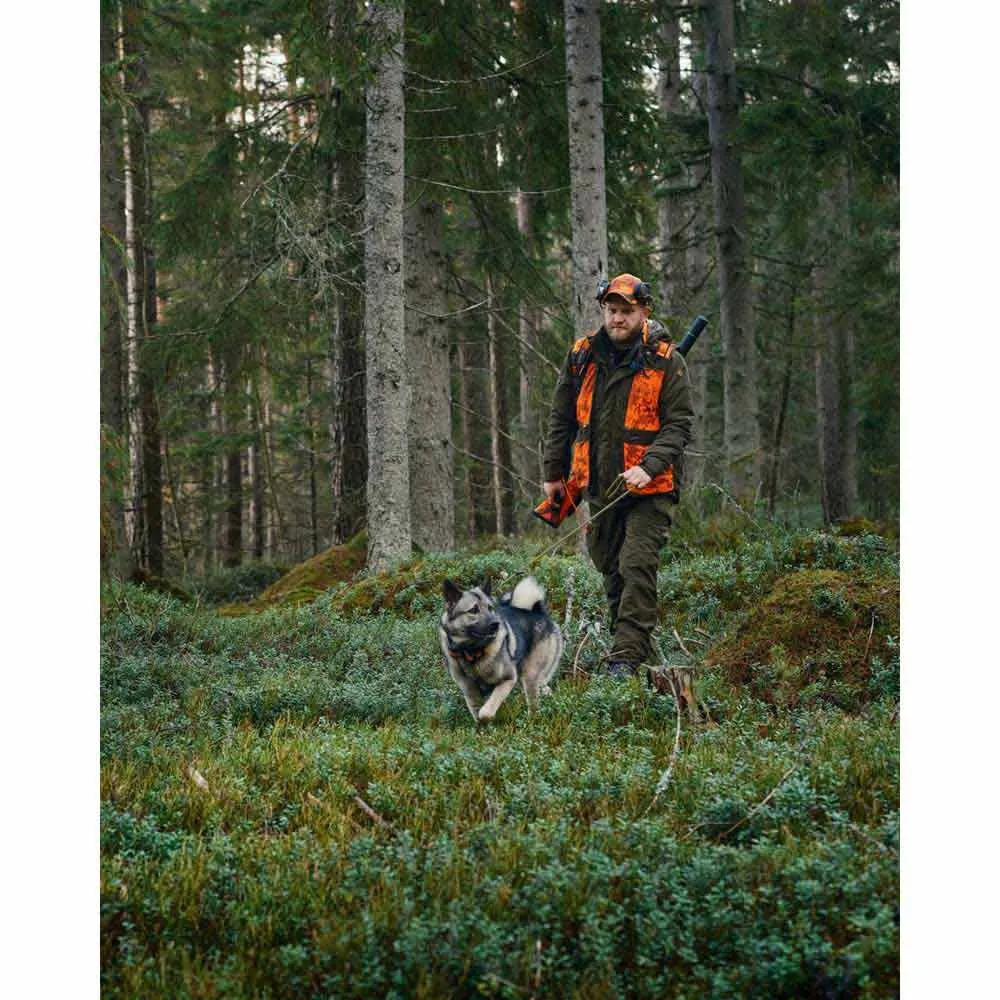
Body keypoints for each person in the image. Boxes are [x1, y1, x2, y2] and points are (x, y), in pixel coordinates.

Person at [541, 273, 695, 678]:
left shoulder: (666, 361)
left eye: (626, 310)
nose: (617, 318)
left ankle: (626, 657)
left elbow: (679, 426)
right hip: (599, 485)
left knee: (636, 564)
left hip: (651, 488)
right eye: (611, 310)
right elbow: (561, 417)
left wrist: (649, 466)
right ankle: (627, 641)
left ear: (644, 311)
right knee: (608, 564)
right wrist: (554, 473)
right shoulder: (582, 356)